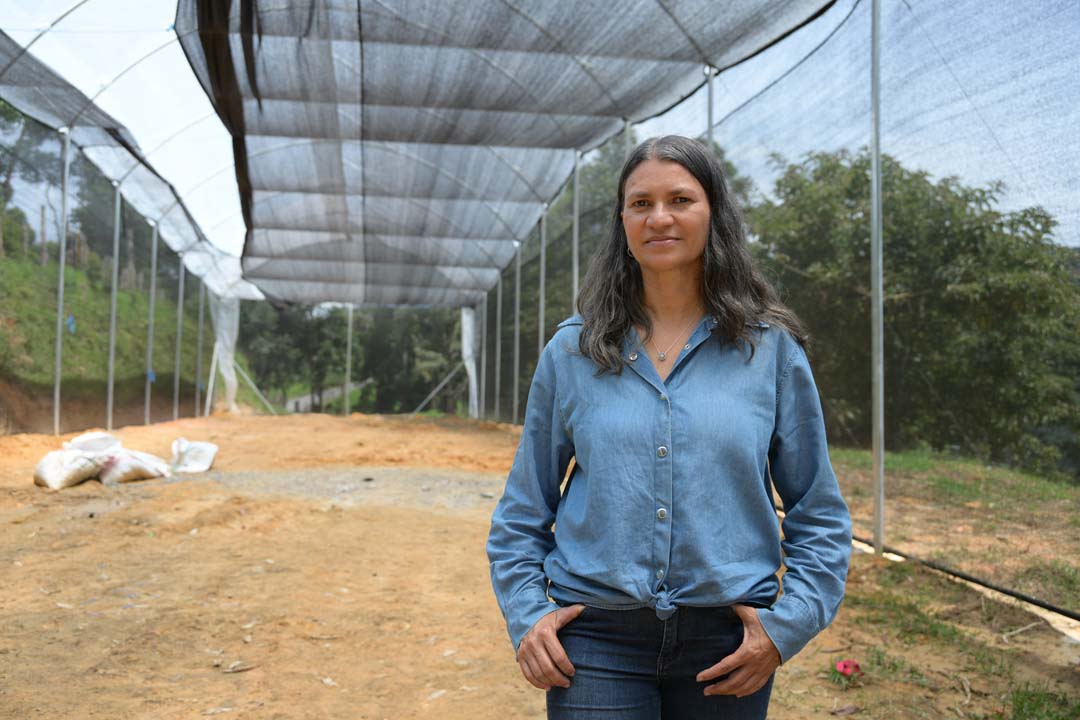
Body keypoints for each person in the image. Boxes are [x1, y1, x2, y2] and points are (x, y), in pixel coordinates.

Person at [486, 135, 852, 719]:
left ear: (715, 215)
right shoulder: (573, 352)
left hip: (728, 644)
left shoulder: (770, 351)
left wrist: (786, 628)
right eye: (640, 203)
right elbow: (523, 510)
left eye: (681, 199)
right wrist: (528, 614)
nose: (660, 217)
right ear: (622, 222)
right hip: (595, 640)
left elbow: (819, 511)